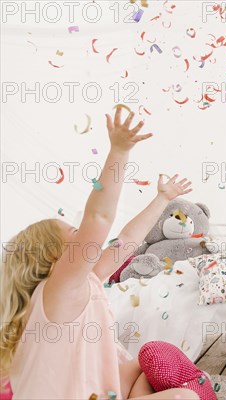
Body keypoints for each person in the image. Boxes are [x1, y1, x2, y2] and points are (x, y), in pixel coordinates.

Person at [0, 108, 199, 399]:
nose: (84, 237)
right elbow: (98, 218)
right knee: (186, 397)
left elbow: (128, 239)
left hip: (90, 390)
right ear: (53, 257)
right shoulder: (59, 289)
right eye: (74, 235)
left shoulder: (82, 282)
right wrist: (119, 151)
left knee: (140, 368)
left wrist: (163, 198)